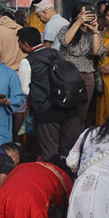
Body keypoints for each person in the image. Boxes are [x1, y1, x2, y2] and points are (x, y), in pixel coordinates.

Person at [16, 26, 83, 161]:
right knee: (69, 151)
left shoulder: (27, 62)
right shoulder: (56, 53)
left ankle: (55, 178)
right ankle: (70, 178)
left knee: (50, 152)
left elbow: (25, 90)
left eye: (19, 42)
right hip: (68, 106)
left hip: (45, 111)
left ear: (25, 44)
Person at [59, 2, 102, 124]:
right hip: (68, 74)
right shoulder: (66, 29)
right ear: (76, 15)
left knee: (82, 113)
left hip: (87, 75)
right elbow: (65, 41)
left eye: (89, 13)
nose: (86, 16)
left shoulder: (91, 33)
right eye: (83, 13)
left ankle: (78, 140)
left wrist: (95, 32)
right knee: (67, 112)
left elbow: (97, 51)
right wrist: (78, 22)